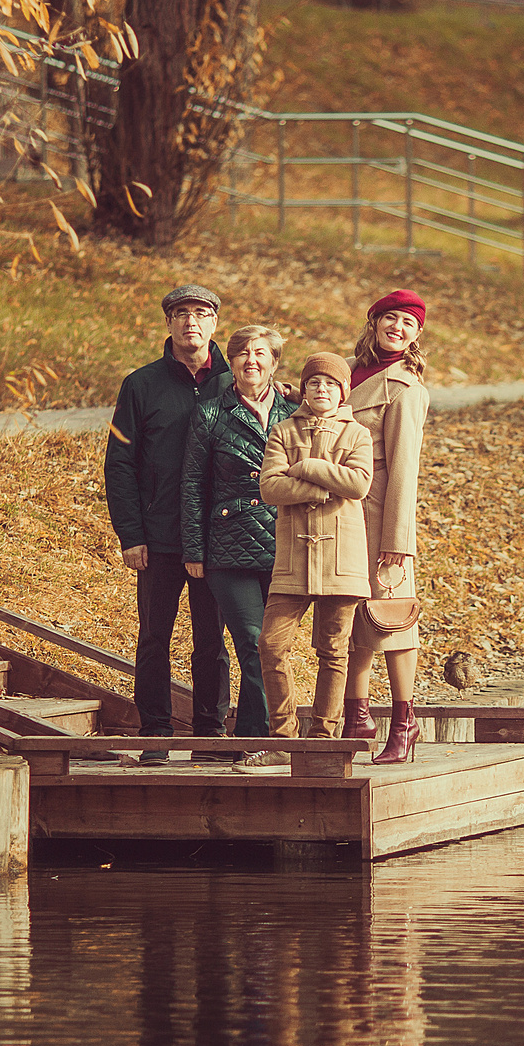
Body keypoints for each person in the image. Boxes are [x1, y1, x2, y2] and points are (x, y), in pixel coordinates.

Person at [103, 283, 233, 761]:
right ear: (169, 323)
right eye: (181, 313)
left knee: (211, 640)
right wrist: (130, 534)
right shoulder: (141, 385)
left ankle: (210, 732)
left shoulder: (233, 383)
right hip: (157, 539)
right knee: (154, 637)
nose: (190, 322)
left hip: (217, 538)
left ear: (215, 323)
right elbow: (119, 464)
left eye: (200, 313)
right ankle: (155, 732)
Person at [180, 325, 298, 753]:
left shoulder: (295, 412)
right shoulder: (211, 412)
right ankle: (257, 739)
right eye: (243, 353)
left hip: (286, 543)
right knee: (251, 639)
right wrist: (194, 548)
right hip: (228, 545)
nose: (252, 360)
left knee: (272, 645)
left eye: (261, 353)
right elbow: (193, 483)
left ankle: (259, 735)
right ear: (231, 363)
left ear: (274, 362)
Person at [254, 352, 373, 753]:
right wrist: (325, 486)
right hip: (292, 561)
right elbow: (270, 487)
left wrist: (304, 467)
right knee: (270, 644)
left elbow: (358, 485)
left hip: (342, 559)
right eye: (314, 383)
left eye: (330, 384)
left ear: (343, 390)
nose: (322, 389)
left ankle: (323, 740)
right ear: (303, 389)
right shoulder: (283, 431)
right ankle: (282, 739)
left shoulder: (358, 434)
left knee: (334, 650)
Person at [343, 288, 431, 764]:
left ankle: (404, 722)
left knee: (392, 619)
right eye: (390, 319)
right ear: (373, 321)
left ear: (417, 335)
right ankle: (356, 718)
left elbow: (404, 469)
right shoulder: (348, 373)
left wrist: (399, 540)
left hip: (380, 518)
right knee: (351, 617)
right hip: (339, 515)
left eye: (408, 323)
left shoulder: (405, 388)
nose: (398, 328)